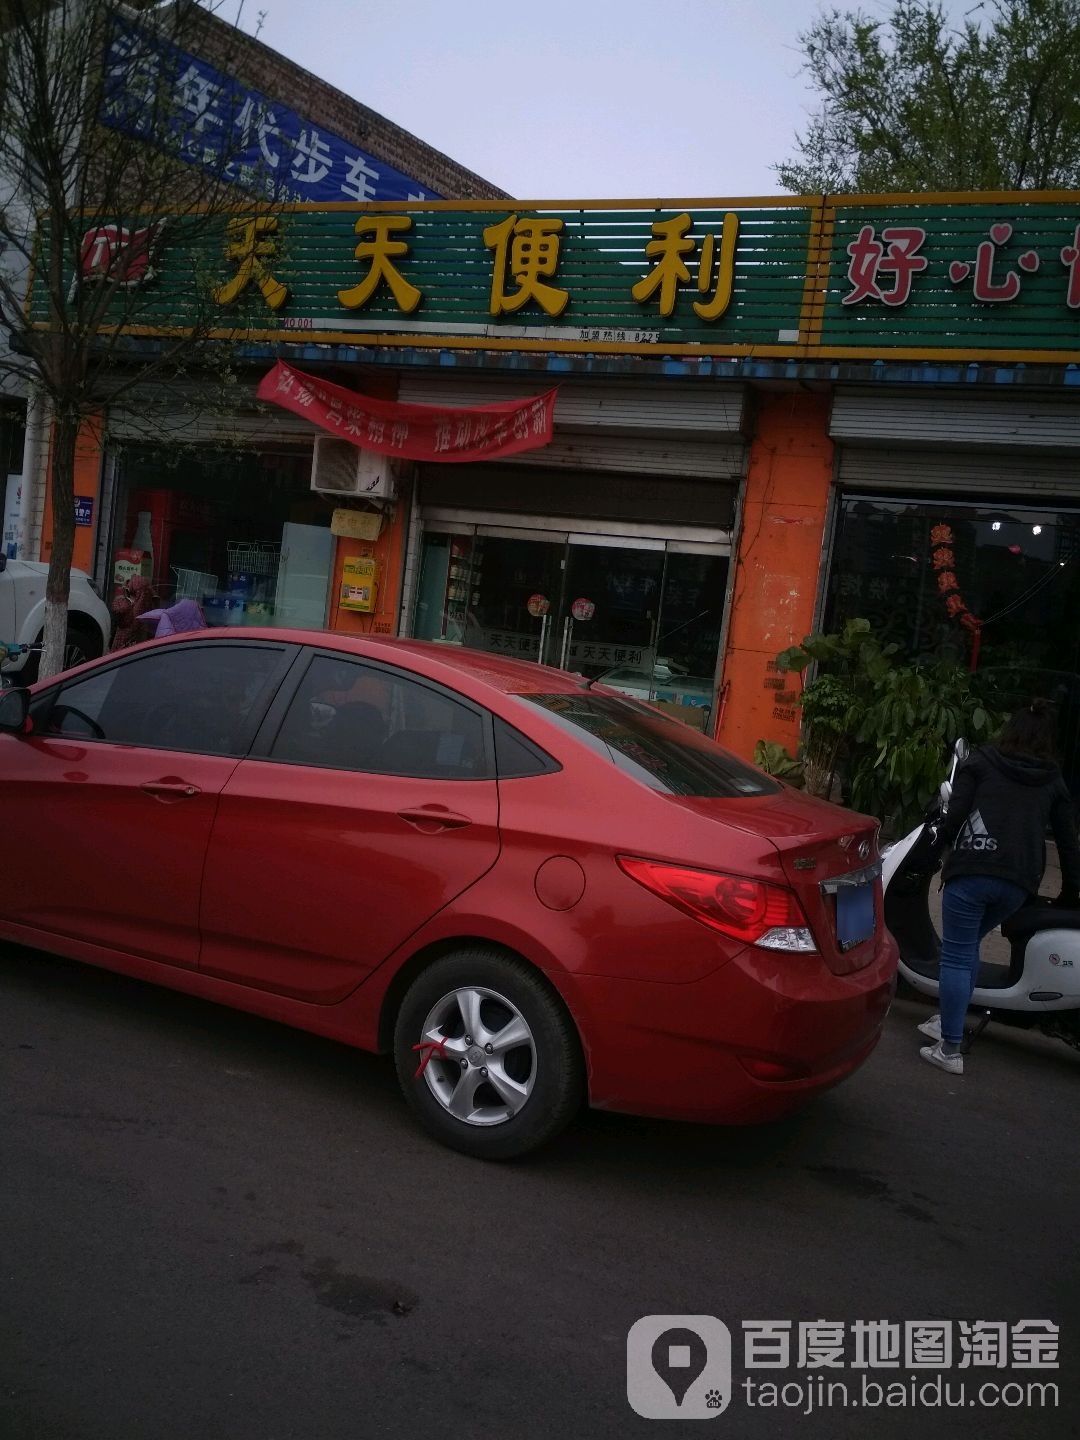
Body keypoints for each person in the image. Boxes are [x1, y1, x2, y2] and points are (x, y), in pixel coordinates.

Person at [920, 699, 1080, 1075]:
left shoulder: (981, 762)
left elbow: (956, 814)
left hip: (973, 872)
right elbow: (1068, 840)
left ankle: (950, 1049)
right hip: (1018, 885)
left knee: (957, 954)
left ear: (1010, 730)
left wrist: (937, 844)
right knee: (969, 943)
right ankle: (949, 1019)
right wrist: (1072, 890)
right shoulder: (1053, 779)